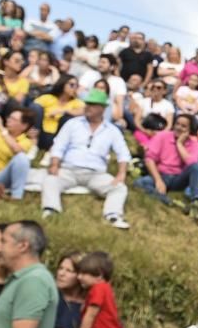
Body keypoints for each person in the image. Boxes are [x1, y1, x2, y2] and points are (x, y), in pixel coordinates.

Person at [41, 88, 132, 229]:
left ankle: (113, 215)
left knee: (119, 188)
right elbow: (59, 145)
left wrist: (121, 173)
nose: (88, 107)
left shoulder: (112, 130)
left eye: (93, 104)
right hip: (69, 169)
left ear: (102, 108)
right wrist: (54, 164)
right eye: (87, 104)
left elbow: (123, 153)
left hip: (96, 173)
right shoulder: (72, 124)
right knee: (50, 180)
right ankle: (51, 210)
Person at [134, 113, 198, 206]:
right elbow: (149, 159)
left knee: (196, 167)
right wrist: (158, 180)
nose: (179, 127)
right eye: (177, 124)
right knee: (139, 183)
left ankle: (195, 200)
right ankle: (166, 200)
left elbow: (191, 163)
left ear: (190, 130)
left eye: (183, 126)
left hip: (179, 178)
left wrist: (179, 144)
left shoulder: (194, 143)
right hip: (162, 175)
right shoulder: (162, 136)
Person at [31, 75, 85, 152]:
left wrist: (63, 111)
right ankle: (33, 145)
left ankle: (53, 150)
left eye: (77, 86)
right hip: (40, 133)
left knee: (67, 118)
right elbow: (33, 108)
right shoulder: (48, 97)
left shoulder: (76, 102)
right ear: (63, 84)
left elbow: (83, 111)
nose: (74, 88)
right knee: (36, 108)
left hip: (57, 137)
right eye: (72, 85)